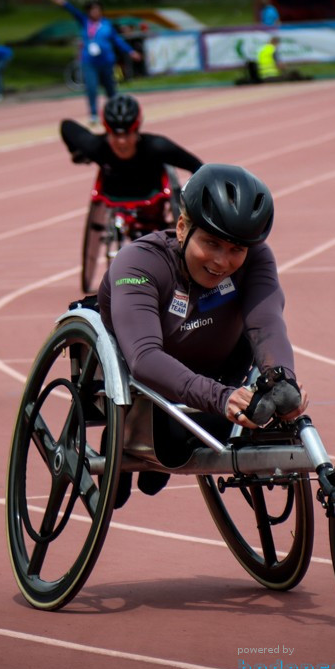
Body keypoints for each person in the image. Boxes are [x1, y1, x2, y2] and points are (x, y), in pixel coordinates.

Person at [98, 163, 309, 507]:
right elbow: (145, 357)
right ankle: (124, 437)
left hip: (219, 373)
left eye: (235, 250)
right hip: (149, 388)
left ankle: (173, 440)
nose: (222, 261)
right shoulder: (137, 263)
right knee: (166, 444)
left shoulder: (256, 258)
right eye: (211, 243)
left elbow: (267, 322)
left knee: (264, 403)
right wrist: (222, 397)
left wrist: (282, 378)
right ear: (181, 228)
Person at [29, 0, 142, 126]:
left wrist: (130, 51)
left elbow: (117, 40)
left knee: (111, 89)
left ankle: (116, 112)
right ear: (88, 11)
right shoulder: (84, 21)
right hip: (89, 61)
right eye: (92, 10)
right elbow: (71, 9)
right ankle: (94, 114)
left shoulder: (107, 24)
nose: (95, 12)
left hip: (106, 61)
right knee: (91, 88)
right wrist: (61, 2)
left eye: (98, 10)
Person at [61, 93, 203, 202]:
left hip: (152, 195)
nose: (122, 142)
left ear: (136, 130)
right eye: (115, 135)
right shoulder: (96, 147)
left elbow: (197, 167)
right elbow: (66, 125)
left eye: (127, 134)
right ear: (107, 131)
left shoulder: (157, 147)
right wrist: (77, 153)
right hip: (113, 194)